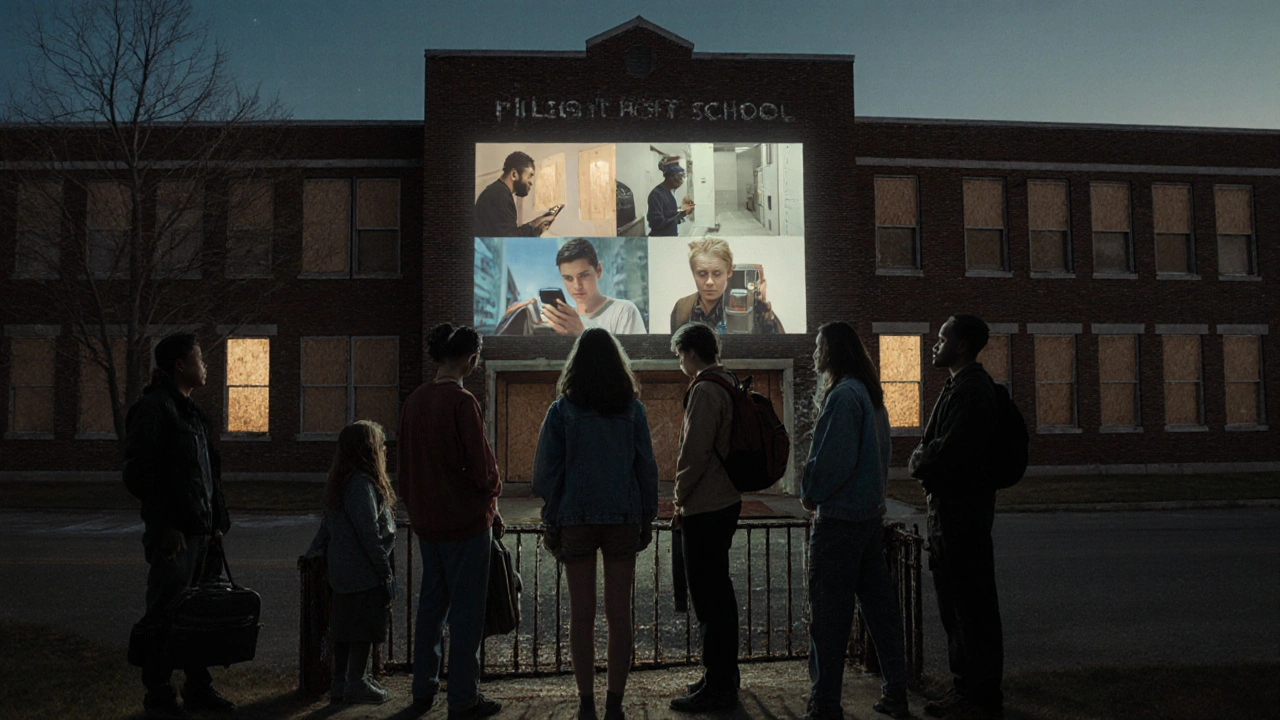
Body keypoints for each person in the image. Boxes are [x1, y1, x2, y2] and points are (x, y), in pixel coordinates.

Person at [532, 327, 659, 720]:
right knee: (619, 616)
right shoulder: (632, 409)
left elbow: (545, 474)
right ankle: (615, 705)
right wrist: (646, 517)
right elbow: (647, 469)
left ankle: (586, 703)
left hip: (576, 520)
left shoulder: (562, 410)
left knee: (581, 615)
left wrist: (552, 519)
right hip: (622, 518)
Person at [801, 322, 910, 720]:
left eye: (819, 347)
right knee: (881, 613)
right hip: (868, 520)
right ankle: (895, 691)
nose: (815, 354)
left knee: (829, 618)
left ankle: (825, 702)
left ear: (833, 351)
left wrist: (810, 491)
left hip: (839, 523)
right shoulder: (870, 395)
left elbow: (832, 459)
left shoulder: (843, 396)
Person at [122, 333, 234, 719]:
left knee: (199, 614)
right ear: (180, 366)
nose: (205, 367)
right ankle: (159, 694)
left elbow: (204, 477)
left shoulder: (191, 413)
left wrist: (216, 524)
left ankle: (198, 687)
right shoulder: (155, 409)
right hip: (175, 537)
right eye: (199, 359)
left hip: (201, 534)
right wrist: (166, 525)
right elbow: (139, 473)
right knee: (166, 611)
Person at [398, 323, 504, 719]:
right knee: (466, 615)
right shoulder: (462, 403)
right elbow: (482, 468)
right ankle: (463, 698)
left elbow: (405, 467)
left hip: (428, 522)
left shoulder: (415, 401)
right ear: (467, 357)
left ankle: (422, 689)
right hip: (465, 522)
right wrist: (492, 495)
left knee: (431, 607)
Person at [908, 314, 1005, 720]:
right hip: (949, 517)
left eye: (943, 337)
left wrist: (918, 460)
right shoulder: (957, 386)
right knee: (957, 610)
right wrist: (924, 457)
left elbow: (944, 452)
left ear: (961, 345)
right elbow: (936, 447)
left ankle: (979, 698)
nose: (935, 342)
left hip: (963, 518)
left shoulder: (973, 391)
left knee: (972, 610)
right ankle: (967, 691)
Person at [667, 322, 742, 713]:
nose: (680, 362)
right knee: (719, 594)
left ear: (691, 352)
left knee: (708, 599)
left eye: (680, 354)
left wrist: (678, 496)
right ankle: (722, 676)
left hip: (705, 505)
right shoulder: (727, 381)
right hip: (725, 500)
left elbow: (694, 452)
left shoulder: (705, 389)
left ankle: (718, 686)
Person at [313, 421, 398, 705]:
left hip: (343, 572)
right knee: (363, 629)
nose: (385, 450)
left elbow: (327, 527)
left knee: (344, 629)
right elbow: (369, 533)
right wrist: (384, 572)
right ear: (368, 450)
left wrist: (314, 551)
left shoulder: (342, 482)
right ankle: (357, 682)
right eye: (380, 445)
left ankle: (342, 682)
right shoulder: (361, 484)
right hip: (362, 572)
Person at [507, 238, 647, 335]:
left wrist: (581, 332)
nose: (577, 286)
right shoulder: (562, 320)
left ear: (599, 270)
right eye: (568, 278)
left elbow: (633, 364)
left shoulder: (624, 311)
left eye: (584, 275)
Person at [669, 237, 784, 334]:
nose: (709, 282)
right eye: (702, 274)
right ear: (693, 273)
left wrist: (768, 316)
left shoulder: (749, 307)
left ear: (729, 272)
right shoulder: (682, 308)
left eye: (717, 274)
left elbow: (779, 350)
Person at [474, 151, 557, 237]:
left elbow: (506, 233)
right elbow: (509, 240)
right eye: (529, 176)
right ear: (514, 174)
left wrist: (537, 228)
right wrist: (536, 223)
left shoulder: (497, 191)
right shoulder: (499, 196)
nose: (531, 182)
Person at [647, 158, 695, 236]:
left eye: (682, 178)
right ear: (669, 177)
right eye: (679, 178)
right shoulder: (656, 194)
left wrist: (684, 211)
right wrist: (681, 214)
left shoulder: (668, 192)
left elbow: (669, 215)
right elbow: (657, 223)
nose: (681, 181)